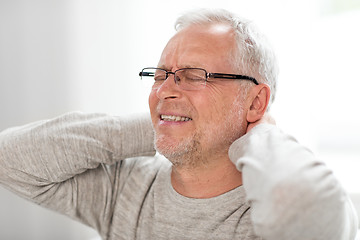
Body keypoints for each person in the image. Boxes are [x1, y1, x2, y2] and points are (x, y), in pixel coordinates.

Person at [0, 8, 358, 240]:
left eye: (193, 75)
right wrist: (165, 123)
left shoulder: (267, 209)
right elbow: (9, 158)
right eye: (159, 76)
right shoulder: (127, 187)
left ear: (255, 102)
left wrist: (259, 132)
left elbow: (307, 211)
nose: (166, 89)